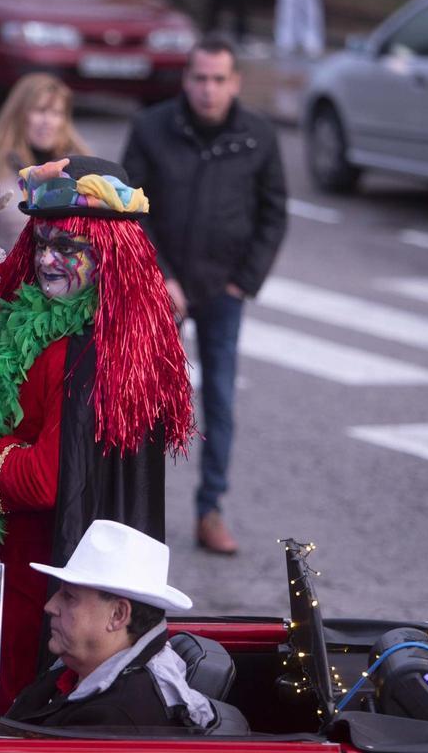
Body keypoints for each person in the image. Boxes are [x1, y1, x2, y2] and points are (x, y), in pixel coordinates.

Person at [0, 155, 194, 709]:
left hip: (48, 573)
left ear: (109, 255)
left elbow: (42, 479)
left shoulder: (98, 351)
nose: (46, 260)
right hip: (12, 557)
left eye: (68, 247)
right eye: (40, 243)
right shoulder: (41, 308)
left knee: (10, 691)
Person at [122, 35, 287, 556]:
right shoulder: (151, 128)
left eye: (219, 79)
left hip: (223, 289)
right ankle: (134, 514)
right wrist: (160, 275)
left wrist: (244, 282)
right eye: (199, 78)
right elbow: (129, 209)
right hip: (160, 288)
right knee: (142, 402)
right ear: (186, 79)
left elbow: (273, 213)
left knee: (218, 399)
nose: (208, 89)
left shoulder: (257, 135)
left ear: (235, 83)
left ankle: (210, 509)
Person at [5, 519, 214, 730]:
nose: (50, 606)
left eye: (68, 597)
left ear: (118, 615)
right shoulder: (85, 668)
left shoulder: (116, 717)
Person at [0, 73, 90, 251]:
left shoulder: (82, 168)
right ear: (19, 115)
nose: (48, 121)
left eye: (56, 113)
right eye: (40, 111)